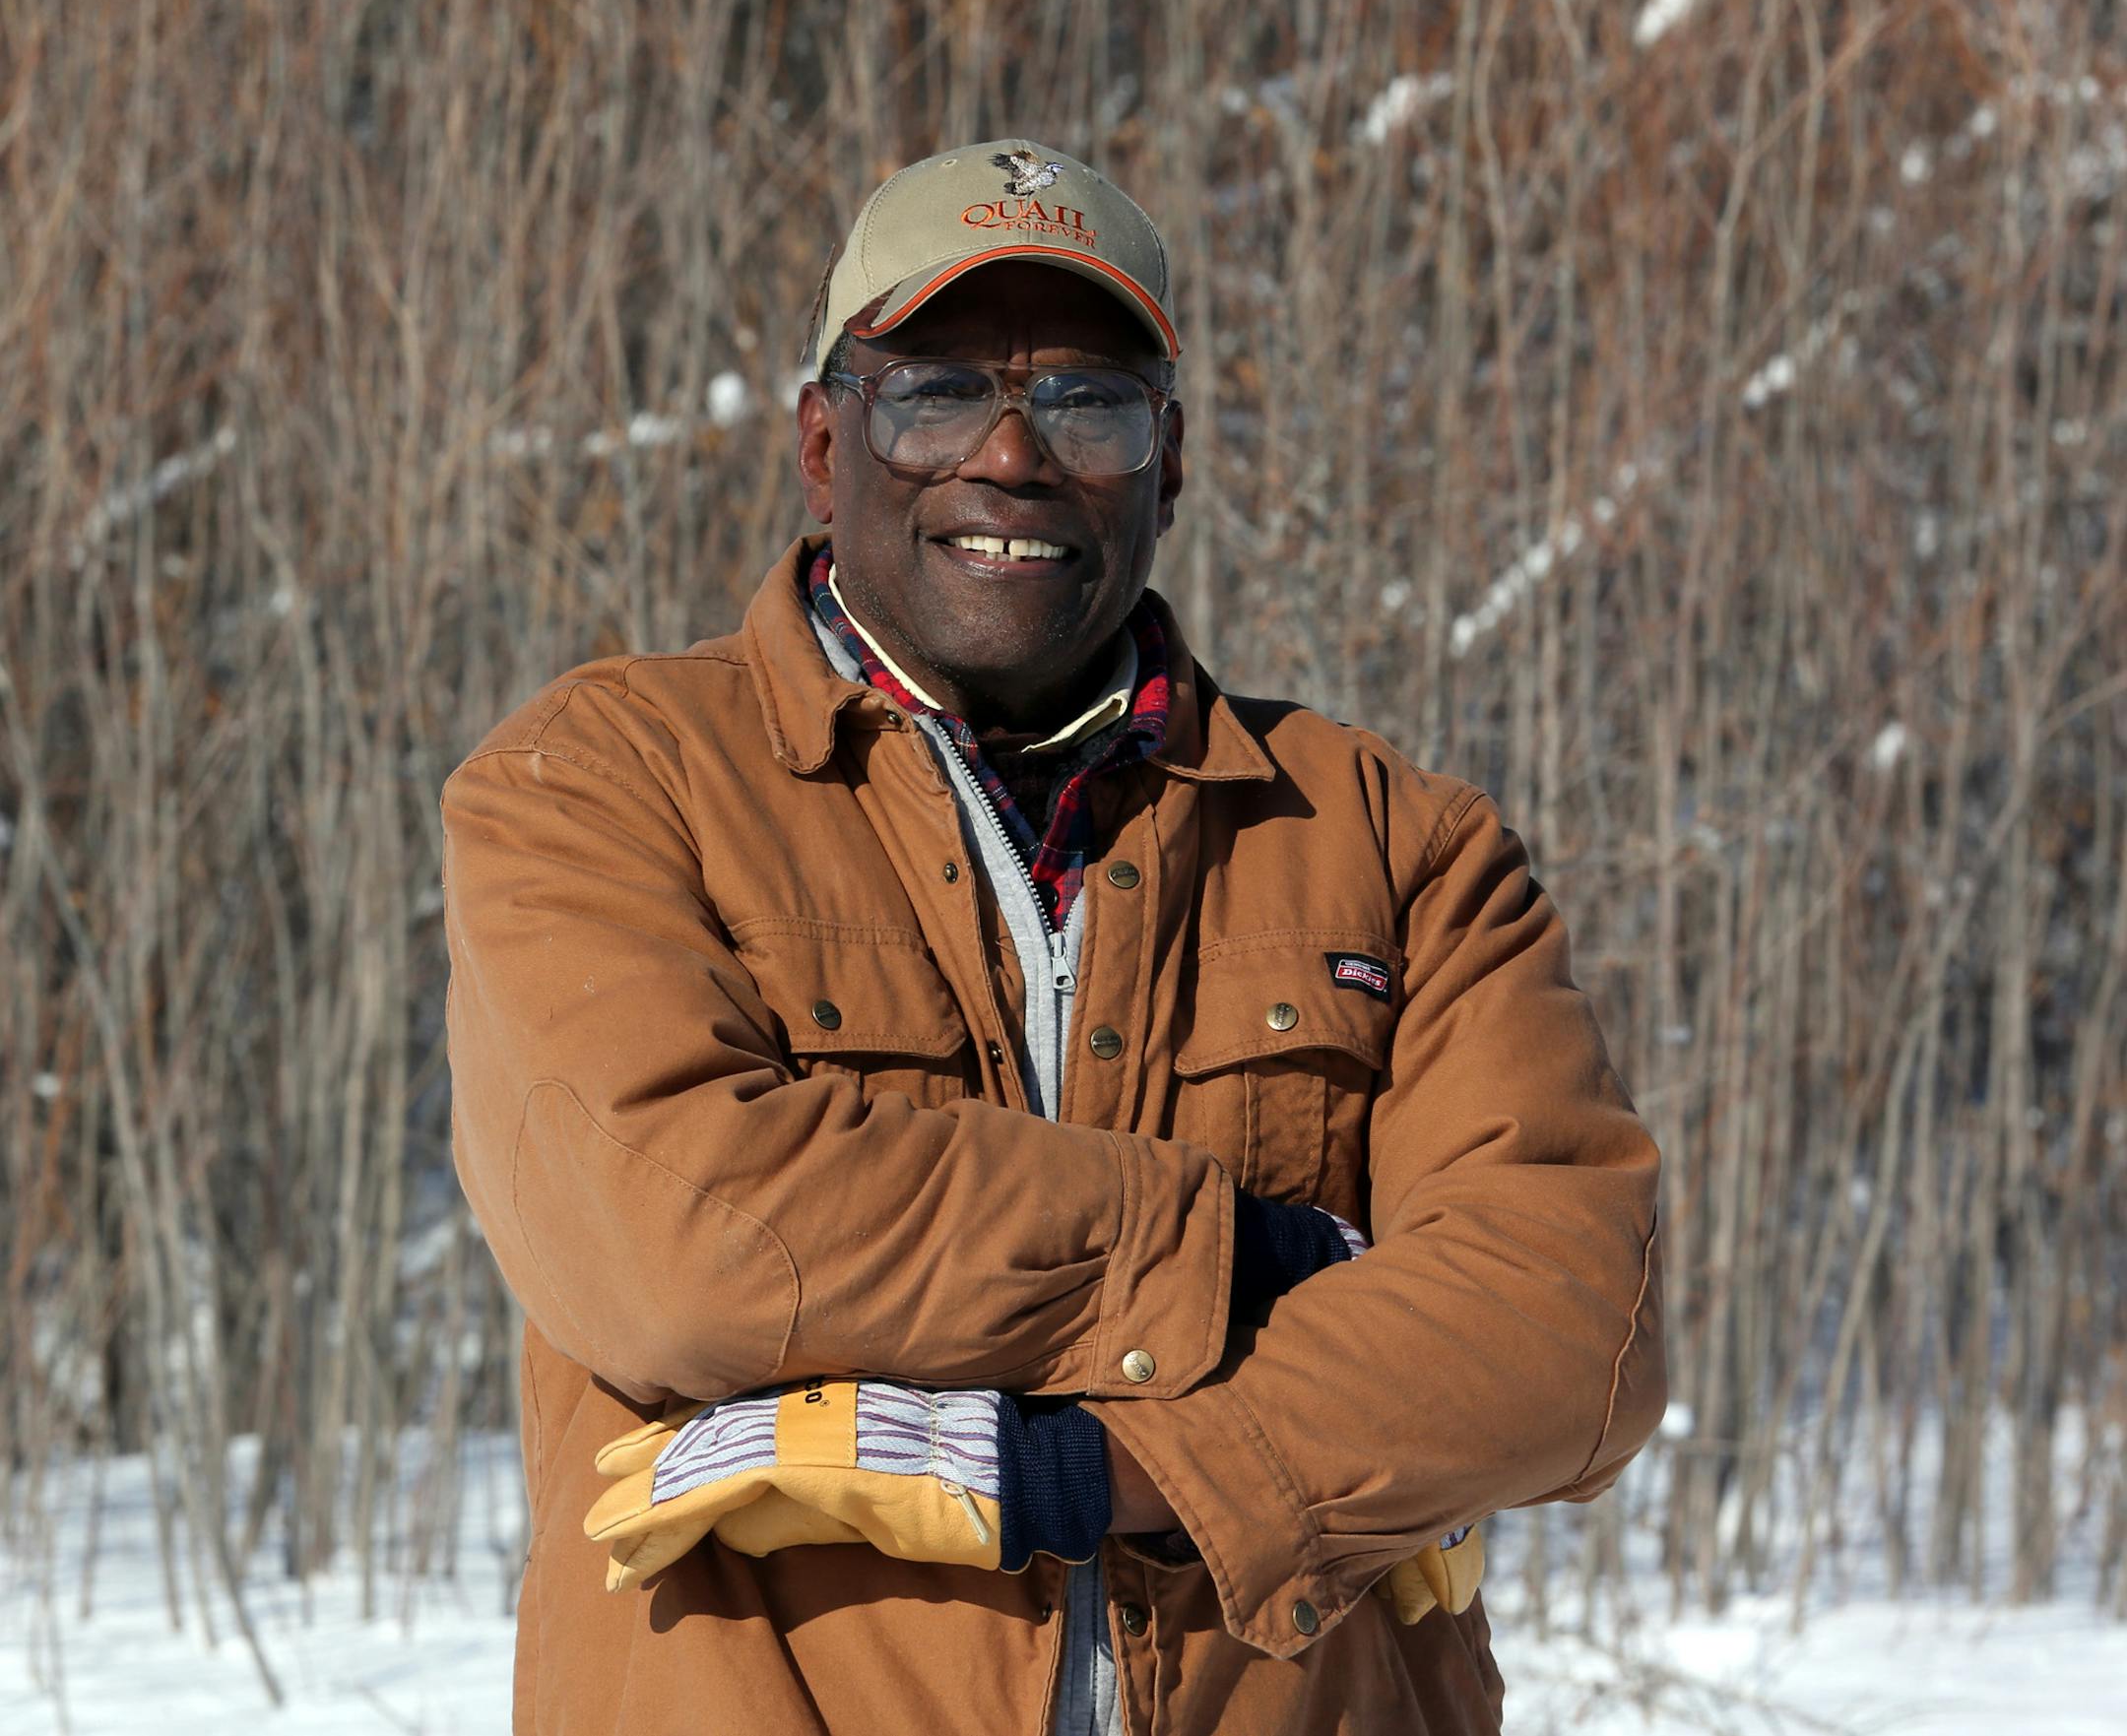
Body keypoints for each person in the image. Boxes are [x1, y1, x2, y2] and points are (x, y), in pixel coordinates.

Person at [441, 137, 1666, 1735]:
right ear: (826, 443)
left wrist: (1095, 1470)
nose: (1012, 455)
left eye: (1087, 402)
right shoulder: (601, 782)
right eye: (936, 389)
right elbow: (686, 1241)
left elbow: (1569, 1325)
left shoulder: (1390, 841)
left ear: (1171, 457)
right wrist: (1246, 1258)